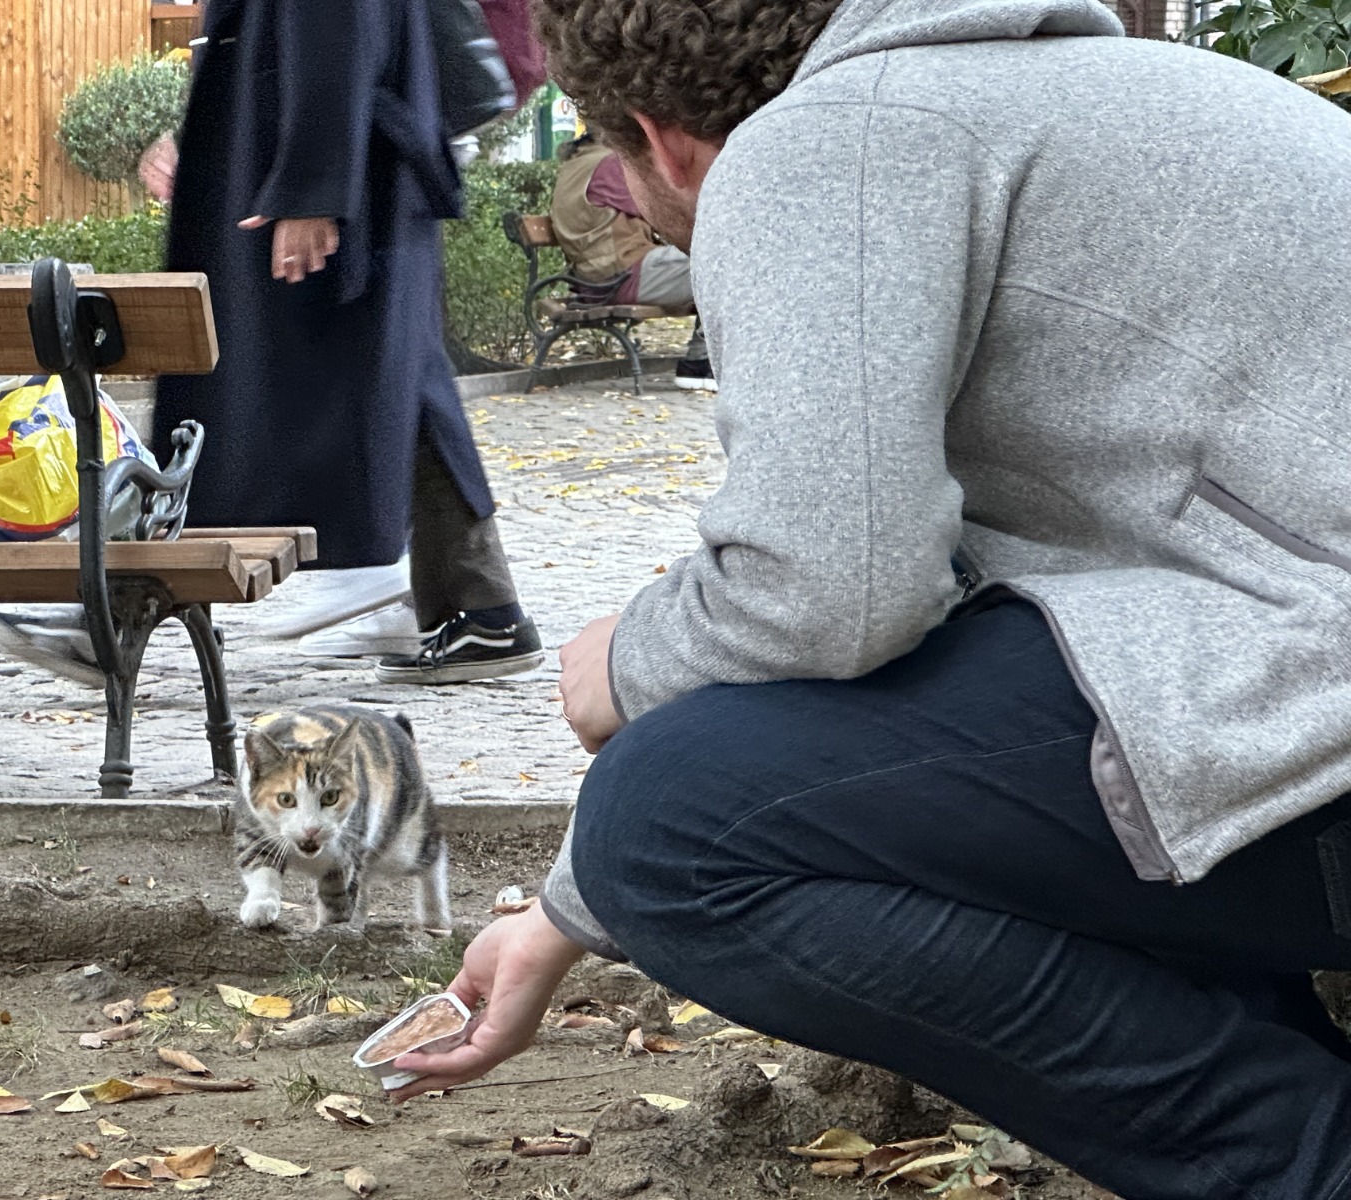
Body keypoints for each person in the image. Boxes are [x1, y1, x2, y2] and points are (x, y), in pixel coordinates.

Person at [388, 1, 1351, 1196]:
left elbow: (831, 591)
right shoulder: (1107, 97)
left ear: (662, 139)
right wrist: (565, 913)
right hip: (1296, 715)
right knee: (1002, 755)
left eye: (624, 181)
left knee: (671, 822)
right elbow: (941, 658)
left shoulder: (826, 140)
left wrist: (626, 666)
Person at [138, 0, 543, 682]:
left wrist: (312, 186)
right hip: (344, 152)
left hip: (338, 162)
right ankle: (480, 610)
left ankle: (123, 598)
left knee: (341, 376)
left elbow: (334, 19)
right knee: (400, 376)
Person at [551, 133, 713, 391]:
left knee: (712, 256)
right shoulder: (609, 164)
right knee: (718, 258)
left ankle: (700, 359)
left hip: (598, 276)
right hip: (621, 276)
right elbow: (669, 211)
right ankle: (700, 361)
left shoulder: (579, 162)